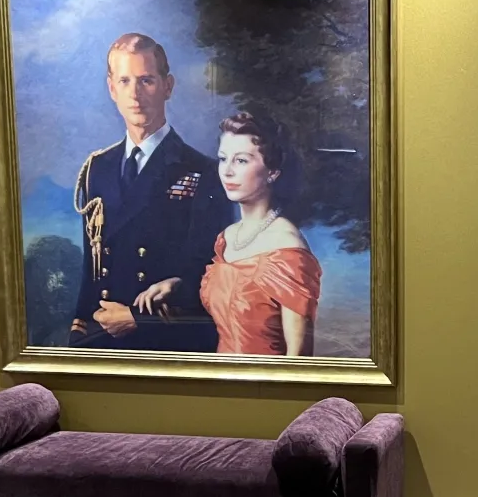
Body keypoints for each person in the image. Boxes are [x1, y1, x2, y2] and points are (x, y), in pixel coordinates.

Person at [69, 33, 233, 351]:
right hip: (102, 337)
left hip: (167, 342)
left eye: (146, 80)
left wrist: (139, 318)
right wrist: (79, 333)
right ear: (112, 88)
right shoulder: (97, 168)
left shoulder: (203, 171)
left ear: (167, 86)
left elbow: (213, 271)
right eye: (125, 81)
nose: (135, 94)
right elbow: (93, 265)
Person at [198, 112, 322, 356]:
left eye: (241, 161)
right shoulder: (226, 238)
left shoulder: (287, 246)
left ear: (272, 172)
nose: (227, 171)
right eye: (223, 159)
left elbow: (299, 357)